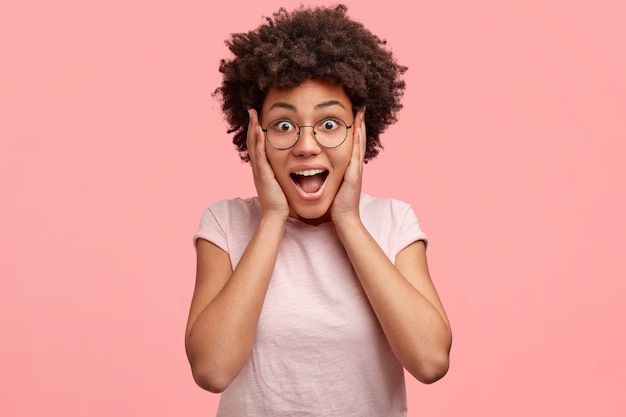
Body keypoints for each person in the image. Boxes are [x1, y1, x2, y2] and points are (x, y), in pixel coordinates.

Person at [185, 5, 451, 416]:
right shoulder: (225, 224)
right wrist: (272, 218)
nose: (307, 146)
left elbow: (431, 362)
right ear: (255, 133)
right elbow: (212, 370)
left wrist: (347, 220)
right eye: (284, 125)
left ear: (359, 130)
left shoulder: (394, 223)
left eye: (329, 124)